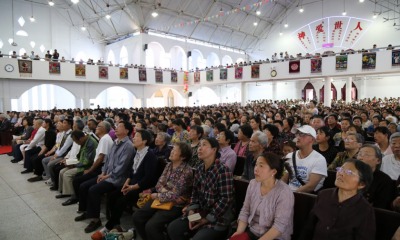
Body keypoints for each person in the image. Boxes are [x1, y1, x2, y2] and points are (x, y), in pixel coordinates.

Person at [167, 138, 234, 240]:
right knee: (173, 228)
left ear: (214, 149)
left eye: (204, 145)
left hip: (217, 217)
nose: (199, 148)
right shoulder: (199, 168)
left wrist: (207, 219)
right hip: (201, 213)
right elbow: (195, 192)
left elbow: (225, 199)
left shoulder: (223, 171)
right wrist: (192, 210)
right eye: (199, 146)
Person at [74, 121, 135, 233]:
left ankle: (95, 220)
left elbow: (121, 168)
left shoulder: (128, 146)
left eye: (119, 127)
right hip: (107, 176)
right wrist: (103, 173)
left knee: (93, 190)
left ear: (126, 131)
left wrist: (106, 176)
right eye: (116, 126)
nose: (116, 128)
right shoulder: (115, 142)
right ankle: (86, 211)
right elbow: (107, 161)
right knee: (84, 185)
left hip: (117, 179)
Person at [127, 142, 194, 240]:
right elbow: (159, 185)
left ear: (183, 157)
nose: (171, 152)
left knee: (151, 226)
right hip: (161, 198)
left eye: (175, 150)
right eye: (172, 149)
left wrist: (159, 194)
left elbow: (175, 195)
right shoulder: (169, 165)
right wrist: (165, 192)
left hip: (175, 205)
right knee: (137, 216)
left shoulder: (187, 171)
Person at [98, 130, 158, 233]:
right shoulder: (138, 152)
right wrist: (127, 183)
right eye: (134, 136)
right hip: (132, 184)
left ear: (144, 141)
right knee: (112, 196)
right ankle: (115, 224)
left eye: (137, 137)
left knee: (121, 201)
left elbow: (148, 178)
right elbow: (131, 171)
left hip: (142, 187)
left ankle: (109, 226)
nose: (133, 138)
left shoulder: (150, 156)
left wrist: (132, 187)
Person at [299, 159, 375, 240]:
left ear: (361, 184)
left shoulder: (365, 209)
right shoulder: (324, 195)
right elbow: (309, 227)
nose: (341, 173)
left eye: (349, 172)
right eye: (341, 169)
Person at [231, 153, 294, 240]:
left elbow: (279, 226)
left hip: (275, 237)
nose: (256, 169)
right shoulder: (253, 184)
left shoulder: (284, 192)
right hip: (253, 231)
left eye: (261, 166)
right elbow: (245, 211)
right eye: (256, 165)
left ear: (273, 172)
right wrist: (239, 233)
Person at [62, 121, 113, 206]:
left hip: (101, 168)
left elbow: (100, 158)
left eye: (98, 126)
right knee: (77, 178)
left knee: (79, 180)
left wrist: (90, 170)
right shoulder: (103, 138)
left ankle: (81, 202)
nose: (96, 128)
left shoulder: (105, 139)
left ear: (103, 129)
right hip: (98, 166)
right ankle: (80, 200)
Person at [282, 125, 327, 193]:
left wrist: (291, 195)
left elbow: (311, 186)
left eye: (302, 135)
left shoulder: (319, 159)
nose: (298, 137)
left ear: (312, 139)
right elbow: (284, 179)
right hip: (287, 193)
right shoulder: (290, 156)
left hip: (306, 198)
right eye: (297, 134)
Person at [357, 144, 396, 210]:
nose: (360, 158)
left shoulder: (385, 181)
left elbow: (380, 209)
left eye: (366, 155)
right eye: (359, 154)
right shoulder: (350, 174)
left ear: (378, 161)